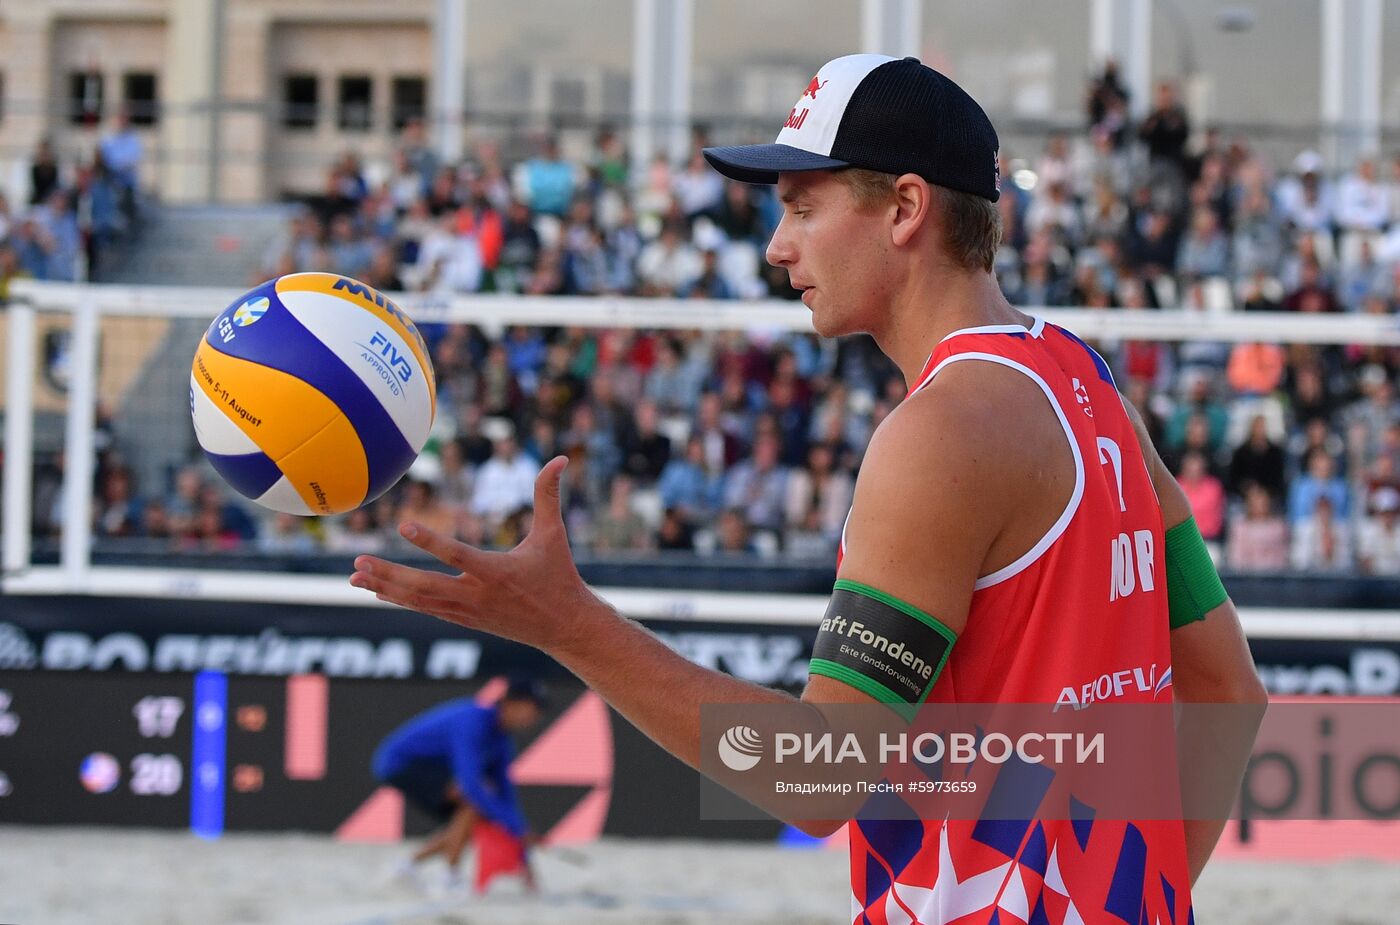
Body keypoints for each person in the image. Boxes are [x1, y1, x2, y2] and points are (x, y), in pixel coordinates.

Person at [352, 54, 1264, 924]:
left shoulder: (941, 432)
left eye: (801, 206)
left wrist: (568, 626)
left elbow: (824, 778)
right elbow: (1229, 691)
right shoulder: (1092, 389)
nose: (777, 246)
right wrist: (1145, 897)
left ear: (905, 208)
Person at [372, 678, 545, 892]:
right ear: (510, 703)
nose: (535, 716)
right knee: (474, 803)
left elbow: (506, 795)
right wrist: (517, 829)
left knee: (475, 815)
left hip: (434, 769)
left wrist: (522, 840)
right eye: (532, 708)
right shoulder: (473, 721)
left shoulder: (501, 740)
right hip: (400, 763)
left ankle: (407, 865)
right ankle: (449, 877)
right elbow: (471, 785)